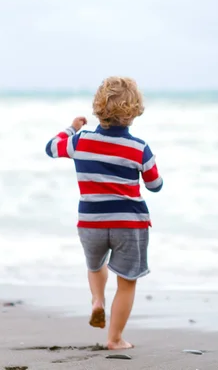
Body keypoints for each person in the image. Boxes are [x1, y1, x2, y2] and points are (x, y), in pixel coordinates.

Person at [45, 76, 163, 350]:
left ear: (98, 107)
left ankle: (97, 299)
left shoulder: (80, 142)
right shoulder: (139, 148)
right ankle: (115, 338)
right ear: (133, 111)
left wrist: (71, 129)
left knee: (95, 265)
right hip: (129, 224)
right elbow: (155, 185)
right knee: (127, 281)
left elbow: (50, 148)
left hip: (91, 222)